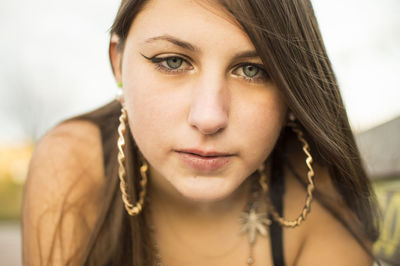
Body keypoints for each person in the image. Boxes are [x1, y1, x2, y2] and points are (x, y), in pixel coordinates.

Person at [22, 0, 380, 265]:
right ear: (118, 63)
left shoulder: (316, 198)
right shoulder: (72, 161)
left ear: (291, 90)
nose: (209, 118)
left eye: (252, 70)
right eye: (173, 61)